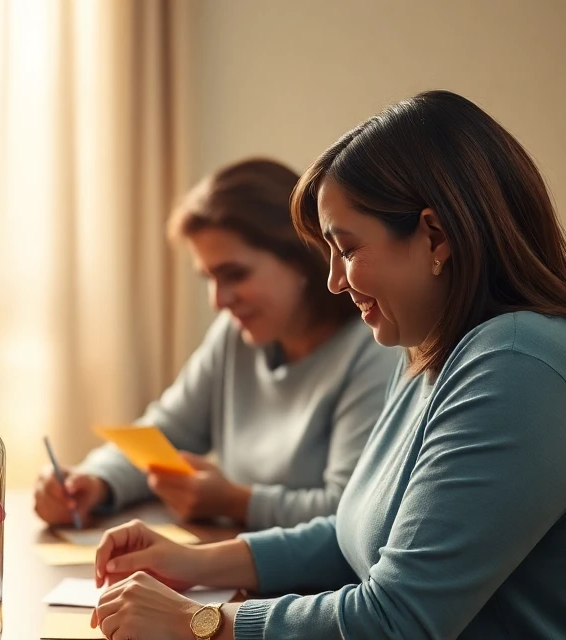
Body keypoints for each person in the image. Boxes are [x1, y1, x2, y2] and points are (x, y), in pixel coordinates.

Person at [89, 91, 566, 640]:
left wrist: (198, 623)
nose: (334, 281)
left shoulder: (516, 364)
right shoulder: (435, 353)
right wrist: (198, 563)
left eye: (345, 249)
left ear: (435, 236)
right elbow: (356, 531)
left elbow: (396, 625)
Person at [34, 159, 398, 530]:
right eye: (208, 278)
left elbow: (352, 512)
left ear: (303, 257)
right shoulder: (234, 336)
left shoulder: (372, 351)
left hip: (311, 584)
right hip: (235, 568)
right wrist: (94, 482)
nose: (219, 301)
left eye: (234, 275)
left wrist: (235, 502)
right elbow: (162, 435)